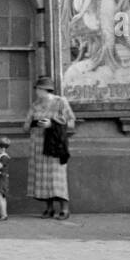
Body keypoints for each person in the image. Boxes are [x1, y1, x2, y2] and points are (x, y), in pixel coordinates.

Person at [24, 75, 76, 220]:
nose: (37, 92)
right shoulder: (35, 105)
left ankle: (65, 209)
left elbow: (71, 122)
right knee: (43, 179)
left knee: (57, 177)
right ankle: (49, 208)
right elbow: (25, 126)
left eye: (38, 89)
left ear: (44, 89)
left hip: (55, 145)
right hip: (38, 145)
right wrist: (35, 123)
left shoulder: (60, 102)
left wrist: (52, 124)